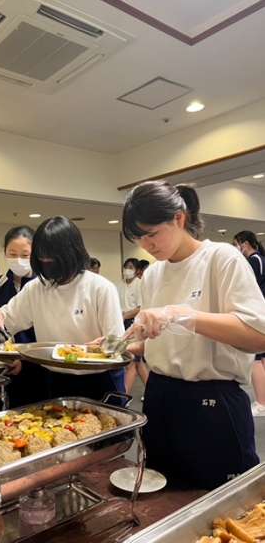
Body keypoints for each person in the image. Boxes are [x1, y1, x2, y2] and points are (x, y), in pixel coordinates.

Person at [122, 180, 265, 490]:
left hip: (213, 401)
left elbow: (257, 334)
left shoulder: (221, 258)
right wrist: (122, 347)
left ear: (179, 218)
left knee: (221, 503)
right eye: (138, 237)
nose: (146, 245)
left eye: (152, 234)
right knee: (161, 493)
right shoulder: (154, 274)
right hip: (160, 397)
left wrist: (181, 315)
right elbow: (162, 340)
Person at [0, 216, 125, 400]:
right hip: (54, 378)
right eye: (42, 260)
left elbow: (117, 343)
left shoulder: (100, 288)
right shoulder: (36, 288)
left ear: (72, 254)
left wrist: (105, 346)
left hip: (99, 379)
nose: (47, 266)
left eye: (52, 260)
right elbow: (5, 319)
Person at [0, 225, 47, 406]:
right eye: (12, 254)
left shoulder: (44, 286)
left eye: (25, 255)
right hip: (4, 368)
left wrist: (25, 361)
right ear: (5, 253)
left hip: (40, 369)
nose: (18, 260)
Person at [234, 230, 265, 416]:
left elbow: (249, 288)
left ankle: (261, 403)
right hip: (260, 312)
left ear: (244, 243)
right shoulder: (259, 259)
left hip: (258, 314)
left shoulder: (255, 260)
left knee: (255, 359)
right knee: (261, 358)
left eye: (236, 244)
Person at [117, 258, 149, 395]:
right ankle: (150, 391)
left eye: (131, 267)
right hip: (122, 322)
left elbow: (140, 307)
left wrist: (125, 316)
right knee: (137, 363)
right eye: (126, 267)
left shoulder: (139, 284)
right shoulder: (120, 284)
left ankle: (123, 398)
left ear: (137, 270)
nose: (127, 270)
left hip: (134, 323)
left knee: (131, 362)